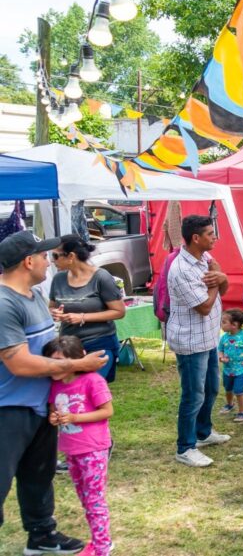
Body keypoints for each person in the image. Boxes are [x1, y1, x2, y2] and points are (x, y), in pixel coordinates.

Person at [0, 231, 106, 555]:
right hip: (9, 410)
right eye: (45, 256)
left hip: (41, 405)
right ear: (28, 261)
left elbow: (44, 350)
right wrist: (77, 365)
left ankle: (42, 535)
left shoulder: (33, 296)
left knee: (39, 475)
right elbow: (18, 362)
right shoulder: (4, 303)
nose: (50, 261)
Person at [168, 215, 231, 468]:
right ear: (196, 238)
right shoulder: (181, 269)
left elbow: (221, 290)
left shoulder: (204, 259)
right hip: (191, 340)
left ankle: (203, 432)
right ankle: (185, 447)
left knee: (211, 388)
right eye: (210, 233)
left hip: (208, 337)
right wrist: (217, 280)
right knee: (193, 395)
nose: (214, 237)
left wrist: (221, 278)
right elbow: (204, 306)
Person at [44, 335, 114, 556]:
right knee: (85, 498)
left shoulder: (93, 381)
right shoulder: (54, 384)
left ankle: (103, 548)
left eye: (59, 360)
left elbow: (107, 411)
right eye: (50, 360)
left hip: (93, 449)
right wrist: (54, 417)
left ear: (76, 359)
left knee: (94, 500)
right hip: (71, 450)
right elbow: (53, 411)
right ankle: (98, 539)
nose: (53, 366)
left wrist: (74, 418)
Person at [48, 235, 126, 383]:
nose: (52, 260)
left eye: (55, 256)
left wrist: (82, 317)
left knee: (87, 388)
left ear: (71, 256)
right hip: (68, 346)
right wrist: (53, 312)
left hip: (99, 342)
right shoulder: (58, 279)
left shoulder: (101, 277)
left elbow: (119, 311)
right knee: (71, 391)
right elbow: (51, 306)